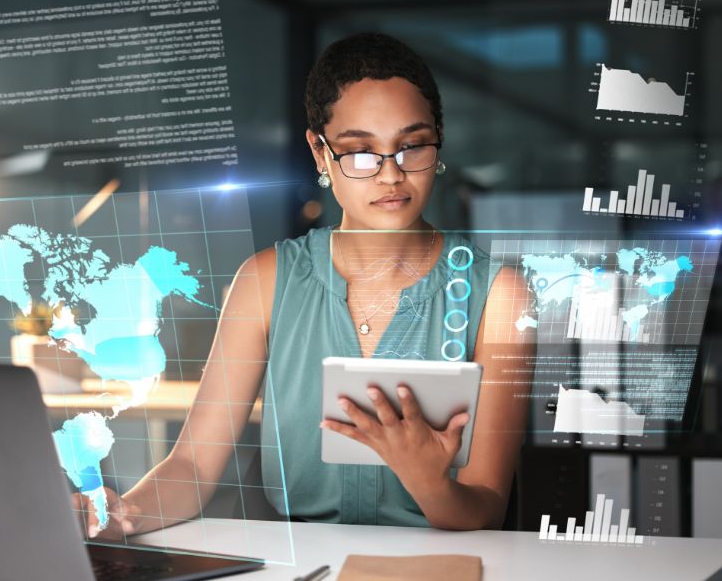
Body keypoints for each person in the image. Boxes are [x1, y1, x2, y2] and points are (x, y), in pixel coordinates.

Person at [74, 32, 533, 537]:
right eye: (360, 152)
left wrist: (429, 482)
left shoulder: (500, 295)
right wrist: (124, 515)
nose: (390, 176)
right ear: (319, 151)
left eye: (411, 147)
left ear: (438, 139)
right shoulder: (265, 282)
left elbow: (486, 507)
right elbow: (193, 467)